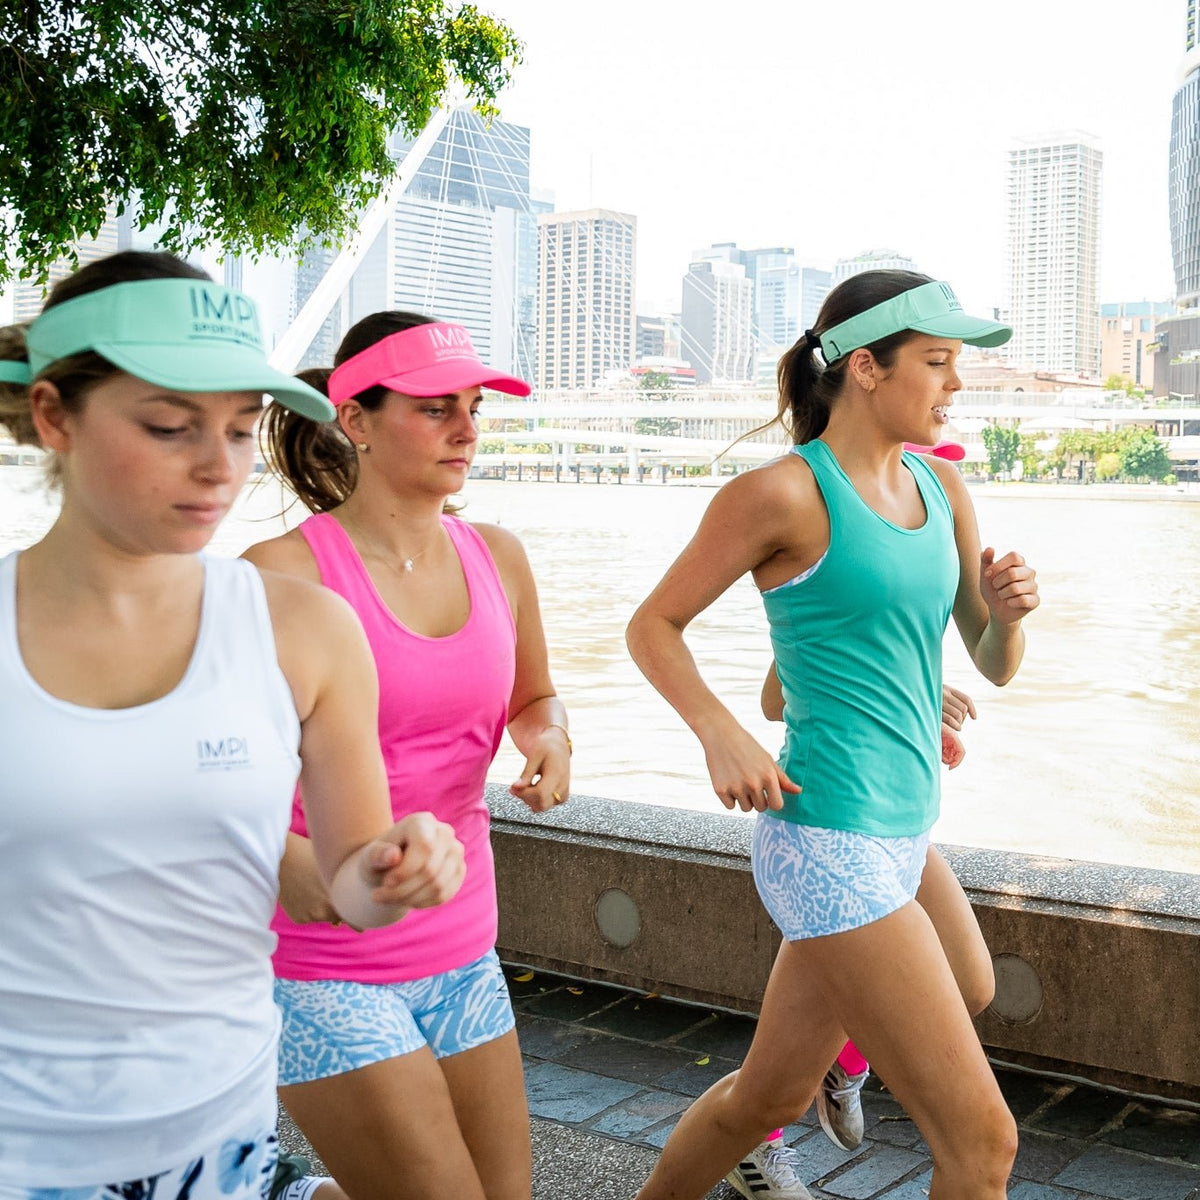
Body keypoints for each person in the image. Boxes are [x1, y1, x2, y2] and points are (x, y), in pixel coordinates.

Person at [0, 252, 465, 1199]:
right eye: (170, 428)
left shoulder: (303, 630)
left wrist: (401, 866)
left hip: (228, 1133)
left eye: (243, 429)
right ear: (54, 416)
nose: (219, 467)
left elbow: (350, 885)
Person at [625, 271, 1039, 1200]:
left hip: (903, 830)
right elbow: (653, 626)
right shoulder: (783, 495)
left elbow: (992, 658)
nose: (954, 384)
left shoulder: (942, 484)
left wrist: (1007, 616)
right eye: (936, 363)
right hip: (825, 837)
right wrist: (720, 733)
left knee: (785, 1082)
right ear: (865, 368)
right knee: (983, 1146)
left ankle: (767, 1125)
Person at [244, 312, 570, 1200]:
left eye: (472, 407)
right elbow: (207, 779)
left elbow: (532, 698)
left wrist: (550, 739)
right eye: (434, 409)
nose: (467, 429)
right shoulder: (281, 578)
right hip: (319, 957)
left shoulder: (497, 556)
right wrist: (299, 868)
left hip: (464, 944)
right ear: (354, 419)